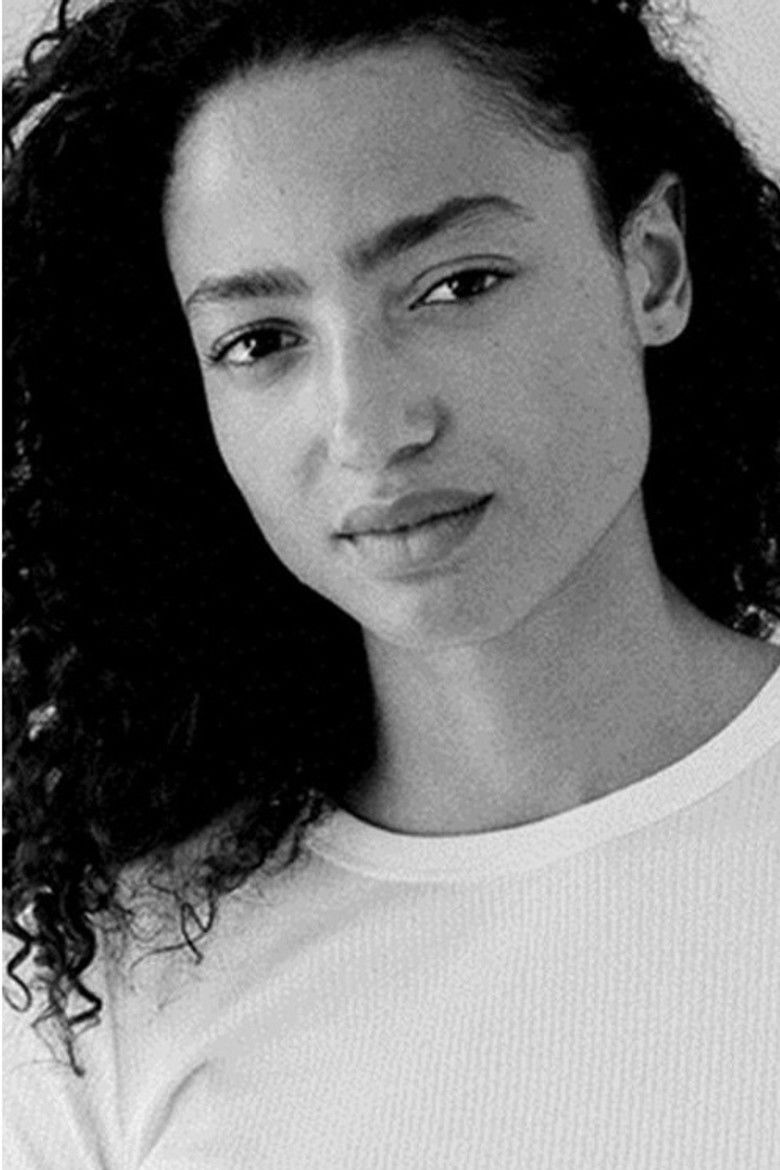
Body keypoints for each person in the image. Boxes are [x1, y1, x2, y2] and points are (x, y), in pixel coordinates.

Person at [3, 0, 779, 1165]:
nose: (369, 428)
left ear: (652, 268)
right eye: (262, 341)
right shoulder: (98, 1007)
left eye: (458, 284)